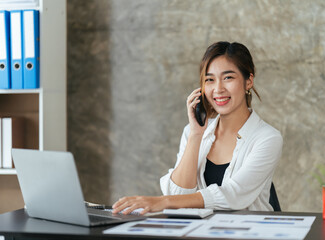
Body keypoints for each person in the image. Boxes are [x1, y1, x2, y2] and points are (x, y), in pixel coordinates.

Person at [112, 41, 283, 215]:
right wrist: (195, 135)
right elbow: (179, 194)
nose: (218, 89)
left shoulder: (268, 138)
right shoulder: (194, 131)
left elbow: (235, 196)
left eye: (228, 78)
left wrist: (163, 202)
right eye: (209, 80)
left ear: (249, 81)